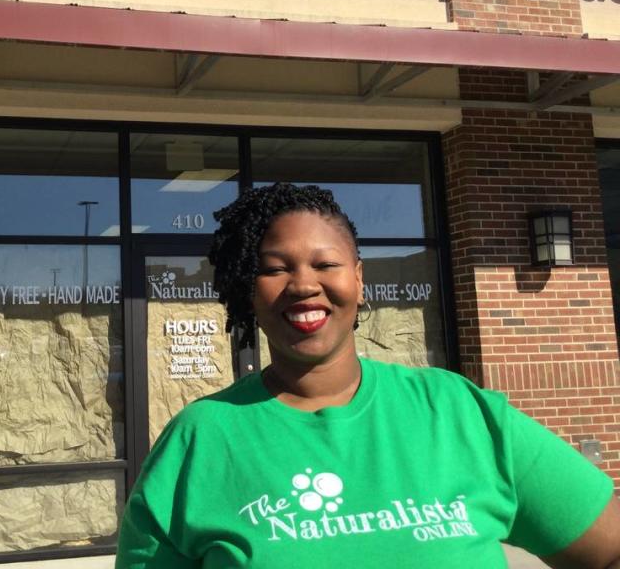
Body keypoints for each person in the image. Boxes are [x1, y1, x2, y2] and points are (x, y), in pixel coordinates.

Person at [115, 183, 620, 568]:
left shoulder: (459, 412)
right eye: (275, 268)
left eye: (325, 263)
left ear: (358, 279)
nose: (304, 285)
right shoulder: (201, 439)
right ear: (248, 291)